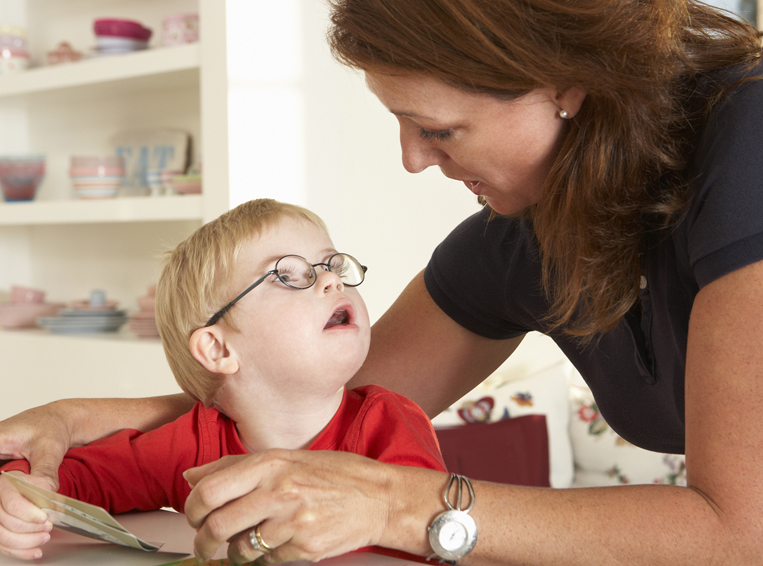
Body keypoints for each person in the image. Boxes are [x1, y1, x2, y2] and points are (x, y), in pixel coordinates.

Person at [2, 0, 763, 564]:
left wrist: (396, 503)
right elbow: (307, 390)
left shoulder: (747, 144)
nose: (412, 158)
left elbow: (742, 529)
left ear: (562, 82)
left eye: (437, 129)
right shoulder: (525, 237)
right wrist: (74, 419)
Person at [0, 198, 446, 561]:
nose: (331, 280)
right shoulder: (194, 443)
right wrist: (20, 496)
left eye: (332, 263)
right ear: (218, 349)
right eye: (287, 275)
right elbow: (71, 479)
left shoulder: (392, 423)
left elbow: (431, 539)